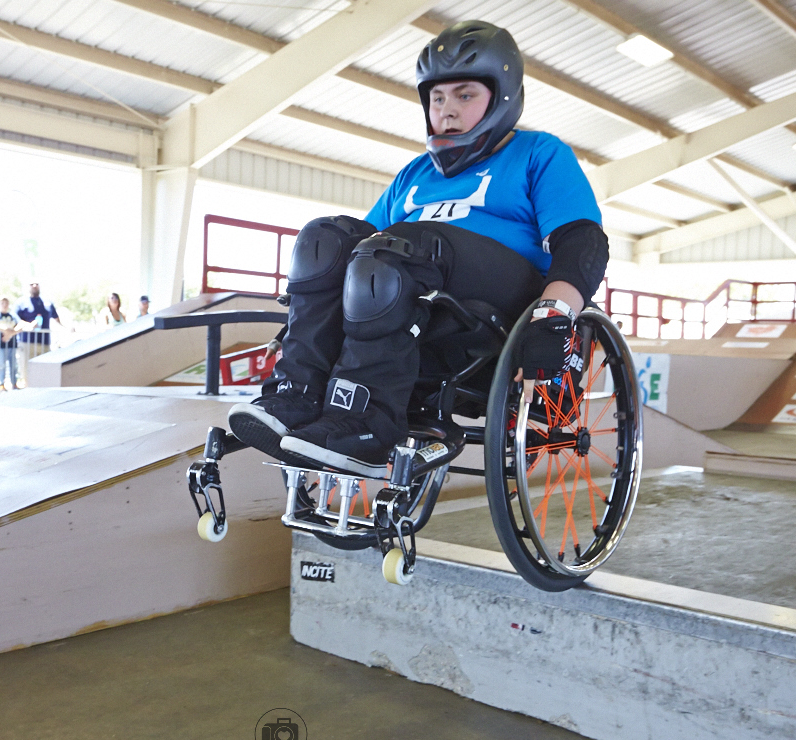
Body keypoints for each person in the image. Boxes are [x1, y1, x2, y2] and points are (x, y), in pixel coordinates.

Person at [227, 21, 608, 478]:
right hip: (415, 297)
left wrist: (555, 313)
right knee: (324, 239)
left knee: (401, 248)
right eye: (437, 98)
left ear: (502, 96)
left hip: (498, 308)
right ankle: (296, 394)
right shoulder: (414, 174)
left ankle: (368, 422)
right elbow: (359, 252)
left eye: (465, 96)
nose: (446, 111)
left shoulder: (539, 153)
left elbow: (583, 243)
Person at [15, 281, 62, 384]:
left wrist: (67, 328)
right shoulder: (21, 302)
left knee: (44, 370)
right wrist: (28, 325)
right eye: (31, 284)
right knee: (27, 370)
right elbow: (15, 320)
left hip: (44, 343)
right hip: (27, 342)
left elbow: (57, 318)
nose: (34, 286)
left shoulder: (47, 302)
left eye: (36, 284)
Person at [0, 296, 21, 390]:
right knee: (2, 365)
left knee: (13, 365)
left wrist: (11, 334)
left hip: (12, 345)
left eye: (6, 303)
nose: (4, 305)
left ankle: (14, 383)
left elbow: (21, 324)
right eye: (2, 303)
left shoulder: (12, 315)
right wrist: (5, 330)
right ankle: (1, 384)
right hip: (2, 346)